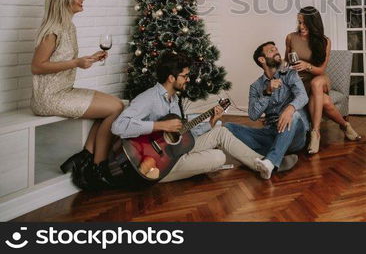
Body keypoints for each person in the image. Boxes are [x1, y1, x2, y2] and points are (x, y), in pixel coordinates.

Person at [111, 53, 292, 182]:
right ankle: (268, 163)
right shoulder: (149, 98)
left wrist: (210, 123)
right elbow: (118, 126)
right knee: (219, 157)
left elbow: (182, 133)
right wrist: (159, 126)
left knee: (220, 131)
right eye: (185, 76)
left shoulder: (174, 99)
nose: (188, 79)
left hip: (176, 150)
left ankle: (266, 163)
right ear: (171, 78)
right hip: (161, 164)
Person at [31, 0, 124, 190]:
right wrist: (76, 63)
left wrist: (88, 59)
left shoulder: (69, 27)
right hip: (49, 98)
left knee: (117, 105)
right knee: (115, 108)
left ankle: (85, 157)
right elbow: (37, 66)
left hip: (65, 90)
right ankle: (98, 169)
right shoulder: (53, 30)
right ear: (64, 0)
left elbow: (61, 61)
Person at [224, 41, 307, 178]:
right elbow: (253, 115)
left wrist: (289, 109)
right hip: (270, 133)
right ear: (262, 60)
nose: (276, 51)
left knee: (295, 115)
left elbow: (303, 96)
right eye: (271, 50)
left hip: (294, 134)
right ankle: (278, 159)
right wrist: (267, 92)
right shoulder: (256, 87)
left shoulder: (290, 74)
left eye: (276, 49)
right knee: (228, 127)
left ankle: (269, 161)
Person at [285, 6, 360, 154]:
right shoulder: (290, 37)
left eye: (305, 23)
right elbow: (286, 62)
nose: (301, 27)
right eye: (299, 22)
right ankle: (345, 126)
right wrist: (286, 65)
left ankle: (315, 133)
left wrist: (306, 66)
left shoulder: (324, 41)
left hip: (320, 79)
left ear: (314, 23)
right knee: (325, 102)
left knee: (316, 83)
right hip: (300, 83)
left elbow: (321, 70)